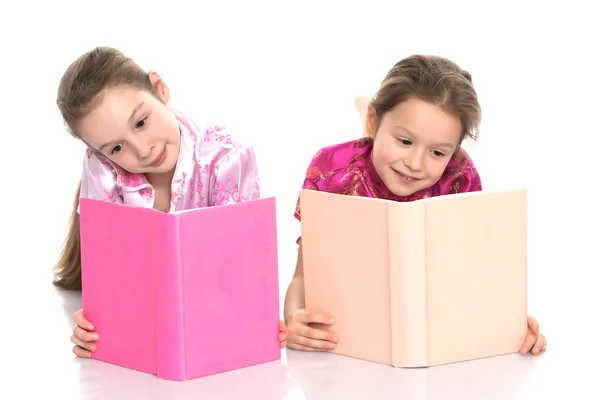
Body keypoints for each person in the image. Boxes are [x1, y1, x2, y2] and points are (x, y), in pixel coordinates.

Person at [283, 55, 546, 356]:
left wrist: (511, 326)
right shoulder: (332, 168)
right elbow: (305, 274)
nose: (415, 164)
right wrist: (294, 319)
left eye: (437, 152)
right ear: (372, 121)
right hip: (349, 342)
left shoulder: (460, 176)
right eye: (404, 141)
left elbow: (477, 278)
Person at [52, 46, 288, 357]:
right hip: (140, 339)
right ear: (99, 152)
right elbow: (110, 275)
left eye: (141, 123)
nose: (142, 149)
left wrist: (257, 317)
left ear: (160, 88)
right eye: (117, 147)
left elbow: (239, 269)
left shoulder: (228, 156)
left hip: (216, 327)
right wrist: (92, 327)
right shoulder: (102, 167)